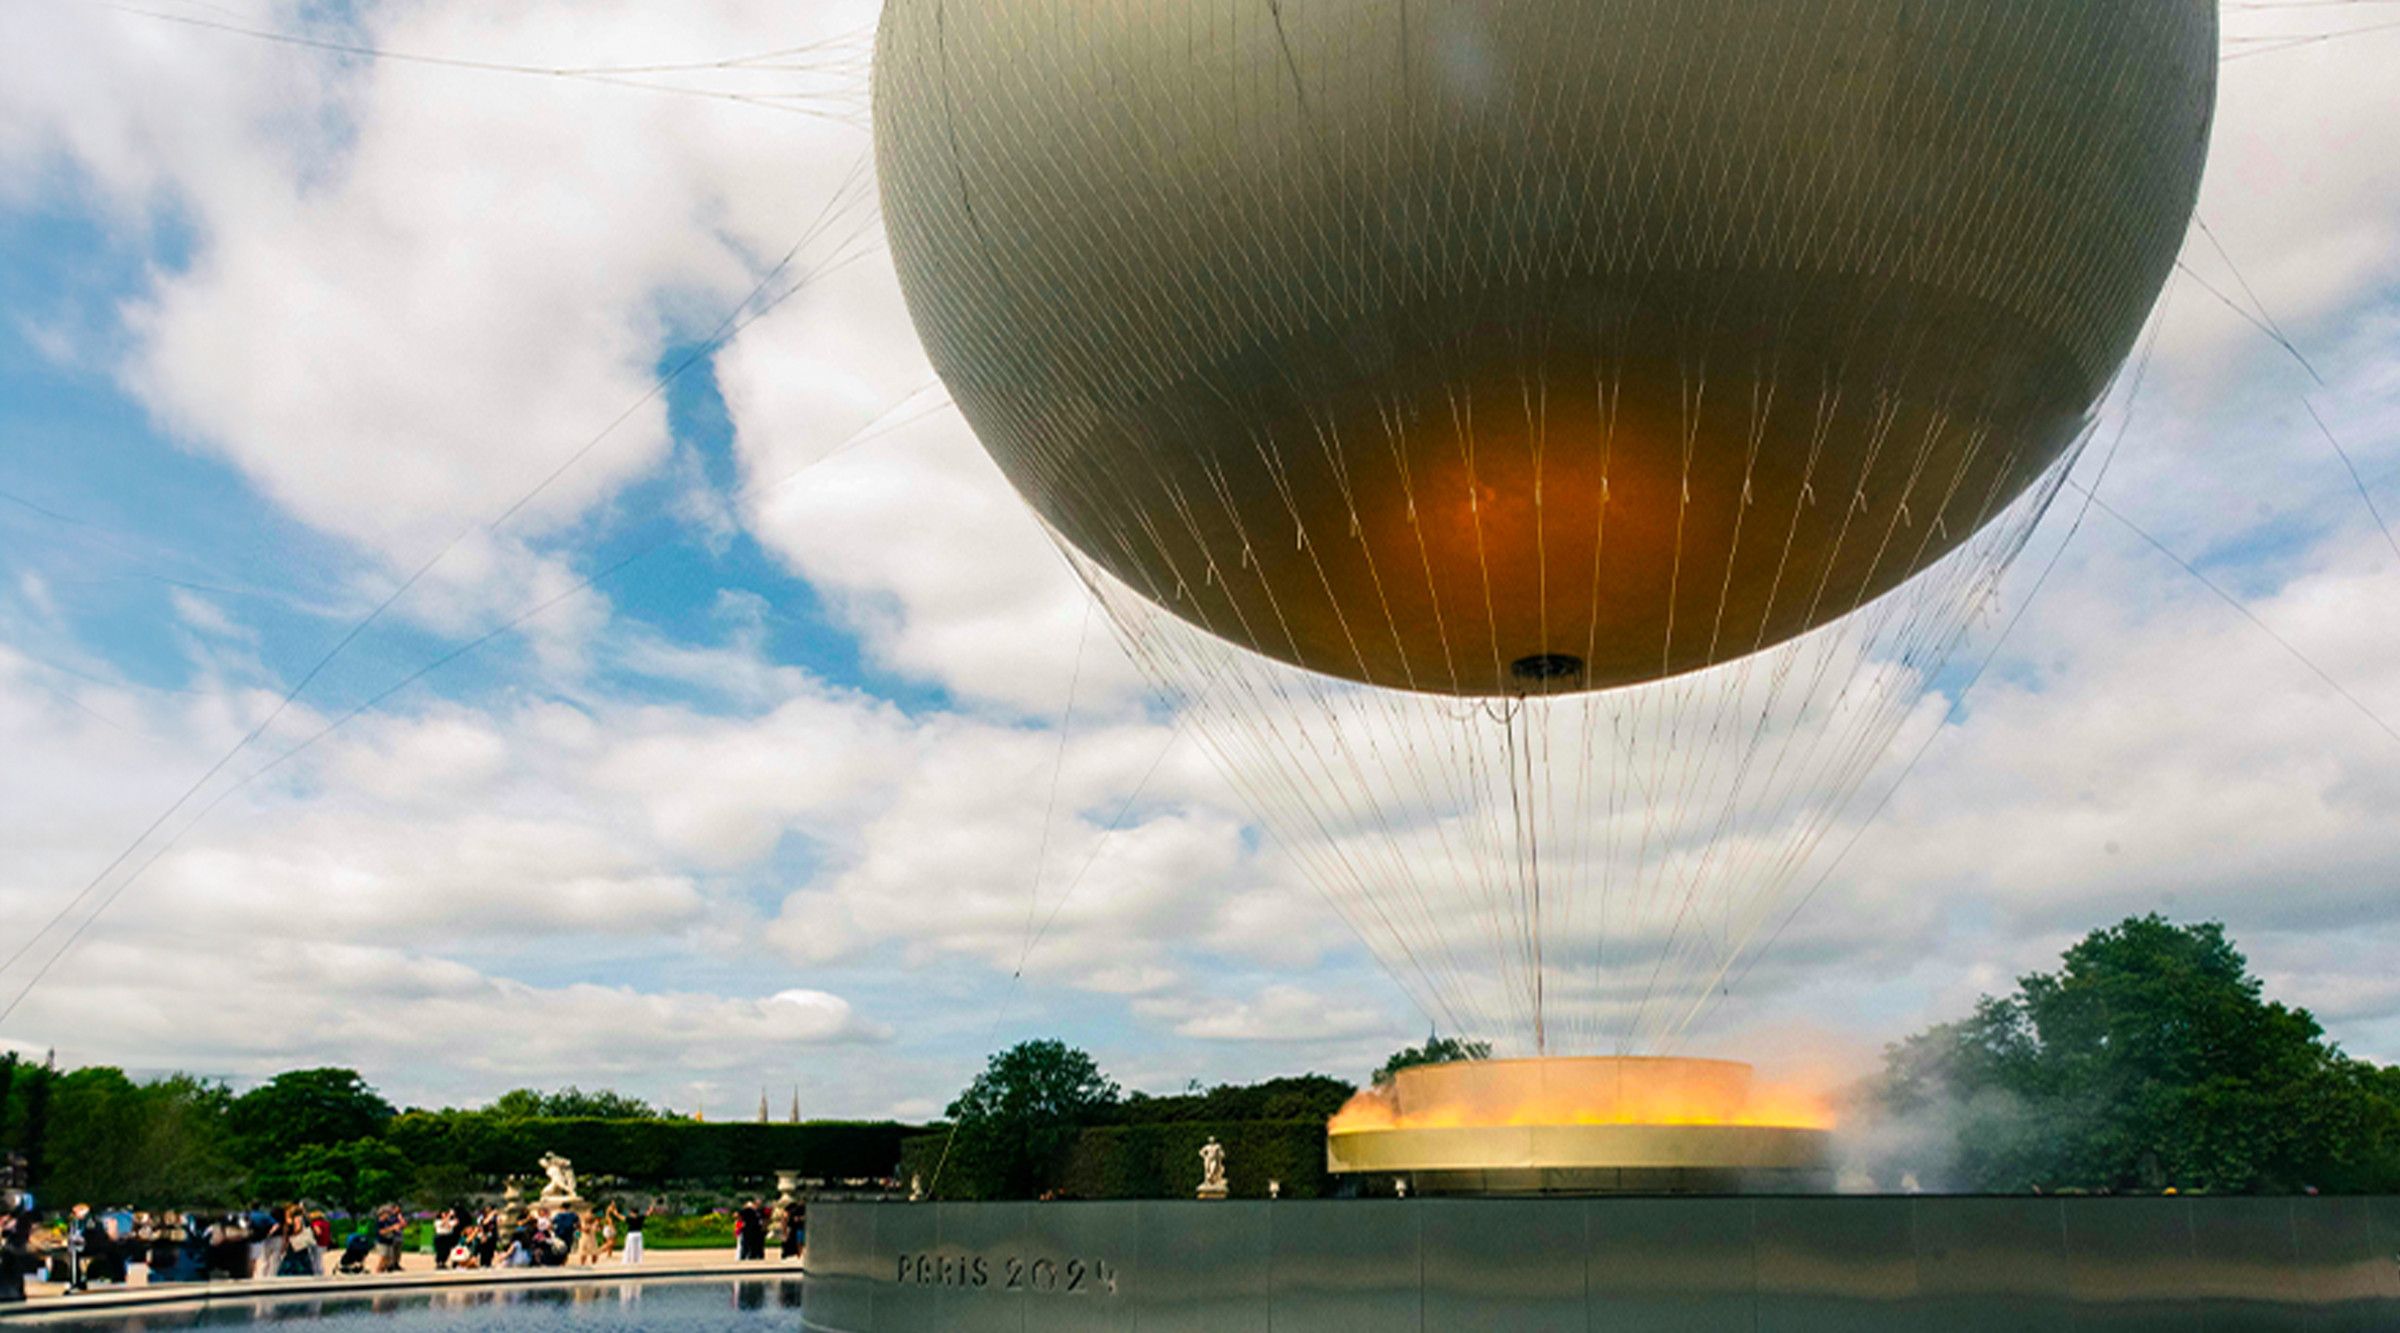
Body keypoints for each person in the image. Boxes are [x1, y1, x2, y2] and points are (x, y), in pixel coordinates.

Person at [373, 1204, 405, 1273]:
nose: (388, 1215)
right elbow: (381, 1232)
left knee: (389, 1258)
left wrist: (397, 1226)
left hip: (389, 1241)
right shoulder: (379, 1222)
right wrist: (392, 1228)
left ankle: (382, 1269)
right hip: (382, 1242)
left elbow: (398, 1226)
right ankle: (378, 1270)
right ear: (382, 1214)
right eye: (387, 1213)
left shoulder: (388, 1221)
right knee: (383, 1256)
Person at [779, 1197, 805, 1262]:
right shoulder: (793, 1210)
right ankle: (794, 1255)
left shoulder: (793, 1211)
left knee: (797, 1242)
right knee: (796, 1242)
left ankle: (795, 1255)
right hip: (794, 1228)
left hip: (795, 1228)